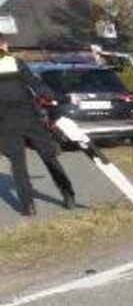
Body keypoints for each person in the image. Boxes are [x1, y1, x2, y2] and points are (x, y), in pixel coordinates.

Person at [0, 32, 76, 216]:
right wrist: (61, 97)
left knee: (18, 164)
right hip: (28, 116)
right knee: (49, 156)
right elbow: (37, 85)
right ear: (4, 45)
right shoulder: (15, 62)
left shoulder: (14, 61)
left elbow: (36, 85)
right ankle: (67, 194)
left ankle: (28, 206)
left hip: (6, 122)